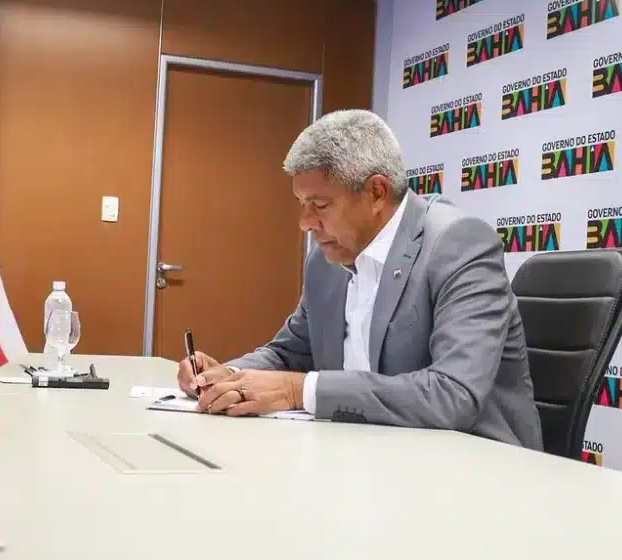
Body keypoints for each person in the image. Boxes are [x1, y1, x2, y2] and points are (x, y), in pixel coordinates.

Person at [177, 109, 543, 449]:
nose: (305, 223)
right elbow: (290, 352)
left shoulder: (457, 243)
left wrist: (296, 390)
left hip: (473, 465)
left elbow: (453, 394)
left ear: (376, 192)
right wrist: (229, 376)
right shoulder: (326, 259)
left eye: (320, 205)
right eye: (302, 205)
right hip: (370, 452)